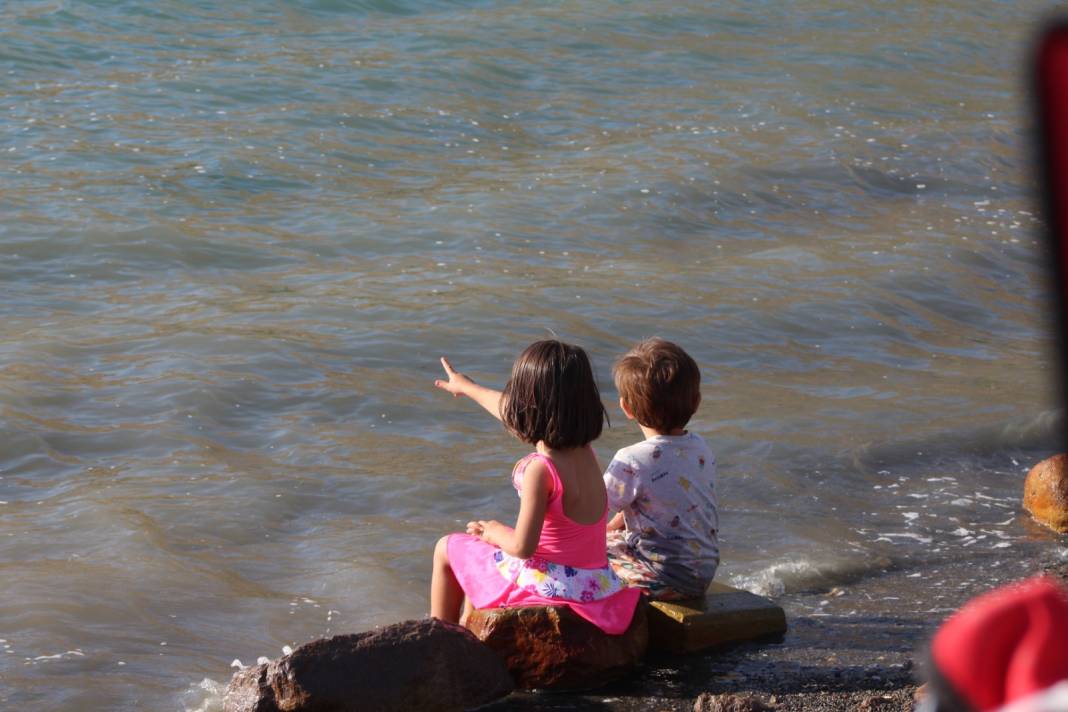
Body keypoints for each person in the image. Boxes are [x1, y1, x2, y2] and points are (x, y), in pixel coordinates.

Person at [429, 340, 641, 635]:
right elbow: (509, 410)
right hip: (593, 583)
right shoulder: (586, 452)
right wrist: (468, 388)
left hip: (553, 584)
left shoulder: (540, 469)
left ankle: (440, 639)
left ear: (528, 407)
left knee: (445, 548)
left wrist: (492, 531)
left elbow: (523, 548)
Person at [603, 338, 719, 601]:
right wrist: (613, 526)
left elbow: (589, 511)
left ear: (626, 408)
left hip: (662, 579)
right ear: (697, 401)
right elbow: (661, 499)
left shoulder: (631, 459)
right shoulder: (701, 448)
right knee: (613, 534)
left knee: (585, 551)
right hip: (702, 574)